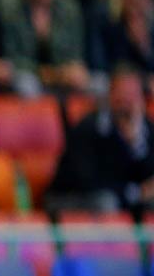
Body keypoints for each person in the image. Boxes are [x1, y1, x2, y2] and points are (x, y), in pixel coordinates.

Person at [47, 68, 154, 212]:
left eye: (132, 94)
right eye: (122, 94)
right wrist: (133, 192)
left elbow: (147, 178)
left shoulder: (147, 128)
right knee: (106, 203)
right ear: (110, 95)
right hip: (70, 197)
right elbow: (87, 181)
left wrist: (136, 145)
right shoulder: (88, 128)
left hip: (121, 197)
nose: (127, 101)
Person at [0, 0, 92, 95]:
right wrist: (49, 74)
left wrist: (74, 70)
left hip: (61, 76)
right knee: (27, 86)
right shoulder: (7, 4)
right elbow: (9, 58)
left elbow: (75, 53)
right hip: (25, 75)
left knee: (99, 85)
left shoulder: (69, 5)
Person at [104, 0, 154, 75]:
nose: (136, 0)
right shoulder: (109, 25)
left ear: (150, 0)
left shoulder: (151, 30)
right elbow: (102, 66)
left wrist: (143, 46)